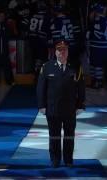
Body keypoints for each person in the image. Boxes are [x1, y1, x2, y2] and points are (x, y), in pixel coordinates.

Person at [37, 40, 85, 168]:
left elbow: (81, 88)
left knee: (69, 135)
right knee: (54, 135)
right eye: (59, 50)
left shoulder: (76, 67)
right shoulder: (47, 67)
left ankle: (68, 160)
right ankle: (55, 159)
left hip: (70, 109)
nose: (62, 53)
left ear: (68, 51)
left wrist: (81, 105)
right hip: (53, 108)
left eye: (64, 50)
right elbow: (41, 87)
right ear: (55, 52)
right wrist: (41, 105)